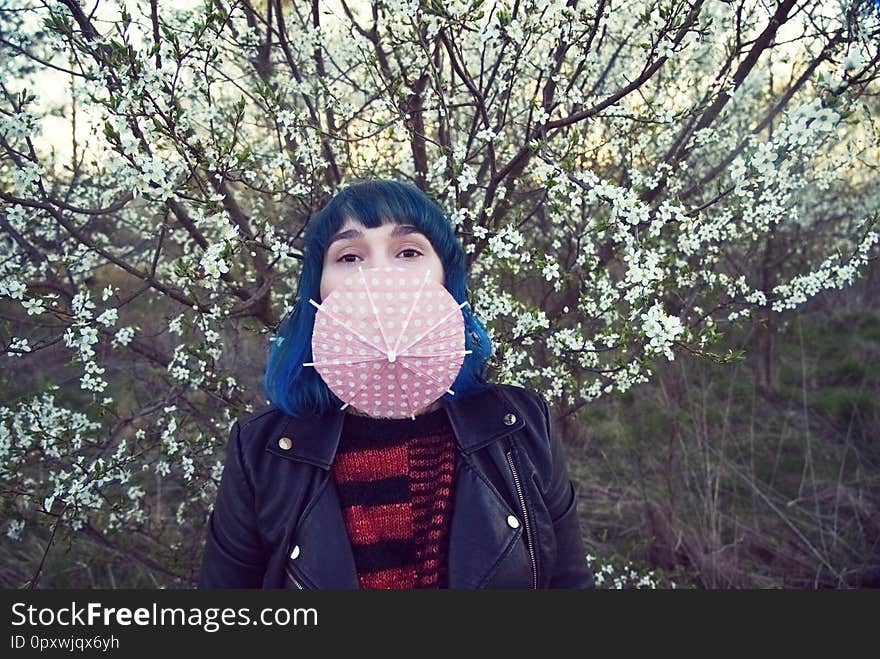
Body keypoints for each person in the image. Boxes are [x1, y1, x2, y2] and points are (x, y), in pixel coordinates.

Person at [198, 179, 595, 589]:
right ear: (319, 291)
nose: (379, 274)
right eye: (349, 257)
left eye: (408, 252)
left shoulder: (523, 427)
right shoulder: (262, 453)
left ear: (446, 279)